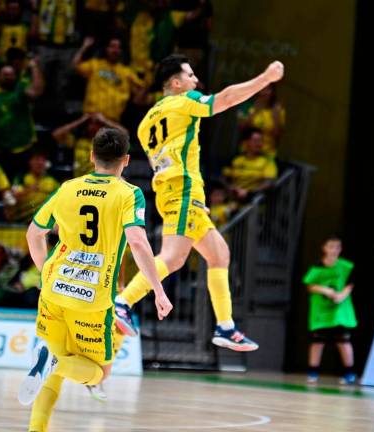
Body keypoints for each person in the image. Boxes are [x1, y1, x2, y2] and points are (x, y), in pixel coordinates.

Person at [113, 53, 284, 351]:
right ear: (176, 83)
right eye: (190, 76)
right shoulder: (185, 101)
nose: (196, 81)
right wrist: (266, 78)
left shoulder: (144, 123)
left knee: (219, 254)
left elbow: (164, 161)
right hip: (183, 190)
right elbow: (227, 98)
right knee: (173, 257)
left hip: (175, 192)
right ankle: (123, 302)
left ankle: (226, 327)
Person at [17, 128, 173, 431]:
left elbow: (34, 233)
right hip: (91, 300)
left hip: (53, 291)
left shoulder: (67, 188)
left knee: (53, 361)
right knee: (99, 373)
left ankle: (38, 421)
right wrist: (157, 290)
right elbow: (138, 242)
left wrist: (46, 270)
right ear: (126, 161)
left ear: (91, 157)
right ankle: (54, 363)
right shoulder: (129, 193)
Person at [0, 60, 44, 179]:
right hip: (1, 151)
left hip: (24, 148)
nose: (8, 77)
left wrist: (34, 66)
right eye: (5, 74)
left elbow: (37, 90)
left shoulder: (21, 91)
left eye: (11, 75)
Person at [303, 235, 357, 385]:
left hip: (339, 310)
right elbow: (310, 285)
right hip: (321, 311)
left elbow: (349, 284)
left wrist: (341, 295)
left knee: (343, 340)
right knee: (318, 341)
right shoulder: (317, 266)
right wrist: (325, 290)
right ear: (324, 248)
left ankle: (349, 372)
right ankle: (313, 371)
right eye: (331, 246)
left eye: (337, 247)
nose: (334, 250)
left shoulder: (346, 267)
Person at [72, 35, 144, 122]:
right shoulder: (95, 65)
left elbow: (141, 91)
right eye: (112, 46)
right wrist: (84, 47)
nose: (115, 50)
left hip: (112, 121)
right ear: (106, 49)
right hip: (90, 118)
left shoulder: (127, 72)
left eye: (118, 48)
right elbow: (75, 66)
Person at [51, 112, 128, 177]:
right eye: (90, 123)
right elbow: (56, 134)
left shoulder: (107, 141)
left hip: (102, 178)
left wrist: (104, 120)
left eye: (97, 123)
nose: (93, 126)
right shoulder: (78, 141)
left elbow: (124, 134)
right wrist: (81, 120)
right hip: (80, 180)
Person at [222, 127, 278, 201]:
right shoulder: (235, 159)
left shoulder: (267, 161)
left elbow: (269, 182)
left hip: (255, 202)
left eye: (261, 141)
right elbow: (224, 178)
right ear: (245, 142)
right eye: (255, 141)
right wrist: (231, 188)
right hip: (232, 199)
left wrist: (249, 192)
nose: (259, 144)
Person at [6, 150, 60, 224]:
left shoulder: (52, 181)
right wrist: (28, 190)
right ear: (30, 162)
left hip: (43, 225)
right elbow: (12, 199)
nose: (40, 163)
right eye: (37, 159)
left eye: (43, 160)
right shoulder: (21, 178)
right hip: (21, 223)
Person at [237, 83, 284, 157]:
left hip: (267, 153)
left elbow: (278, 136)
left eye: (268, 89)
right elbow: (241, 128)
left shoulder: (277, 109)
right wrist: (255, 112)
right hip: (247, 152)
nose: (265, 92)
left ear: (273, 92)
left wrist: (276, 117)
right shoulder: (247, 105)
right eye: (262, 88)